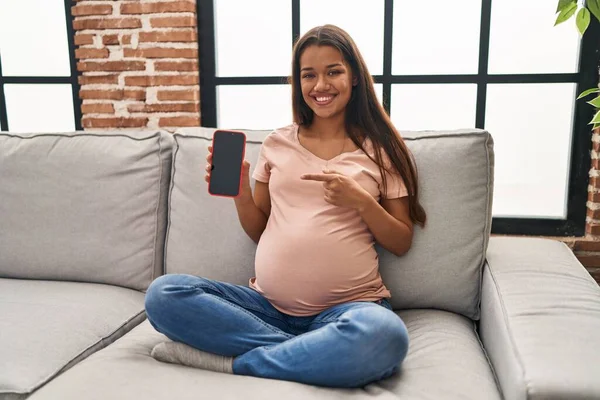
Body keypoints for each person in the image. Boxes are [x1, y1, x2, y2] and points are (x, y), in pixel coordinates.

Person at [145, 24, 427, 389]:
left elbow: (401, 241)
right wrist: (241, 194)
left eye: (333, 72)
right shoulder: (278, 143)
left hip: (349, 310)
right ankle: (315, 354)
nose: (320, 85)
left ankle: (239, 363)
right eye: (308, 75)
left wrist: (358, 199)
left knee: (385, 336)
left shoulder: (382, 149)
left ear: (354, 77)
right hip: (264, 309)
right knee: (164, 295)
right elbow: (259, 230)